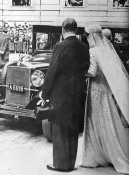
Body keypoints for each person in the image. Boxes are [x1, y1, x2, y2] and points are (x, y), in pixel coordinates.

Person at [40, 18, 90, 172]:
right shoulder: (83, 47)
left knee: (60, 129)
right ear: (76, 30)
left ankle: (61, 165)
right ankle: (70, 164)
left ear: (63, 30)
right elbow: (86, 67)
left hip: (61, 95)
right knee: (72, 129)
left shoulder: (60, 46)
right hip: (77, 94)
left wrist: (45, 93)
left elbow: (52, 71)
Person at [81, 24, 129, 174]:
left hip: (96, 90)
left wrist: (81, 70)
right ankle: (112, 153)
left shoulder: (93, 51)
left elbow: (92, 72)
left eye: (88, 36)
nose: (87, 38)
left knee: (95, 120)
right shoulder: (108, 51)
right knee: (109, 119)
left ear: (92, 36)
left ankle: (97, 155)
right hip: (107, 90)